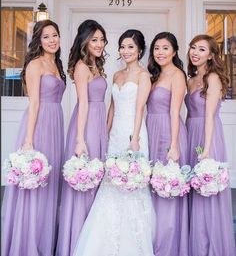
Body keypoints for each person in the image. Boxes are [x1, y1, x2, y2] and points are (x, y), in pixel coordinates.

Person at [73, 29, 155, 256]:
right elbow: (112, 107)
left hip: (133, 134)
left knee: (132, 184)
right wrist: (106, 133)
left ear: (139, 50)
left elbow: (140, 108)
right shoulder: (116, 75)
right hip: (116, 134)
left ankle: (134, 242)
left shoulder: (144, 76)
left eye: (130, 47)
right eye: (122, 46)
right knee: (111, 184)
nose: (125, 51)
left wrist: (136, 138)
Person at [1, 20, 66, 256]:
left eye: (55, 35)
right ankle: (27, 243)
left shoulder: (57, 64)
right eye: (46, 36)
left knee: (49, 185)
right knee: (35, 183)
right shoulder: (35, 65)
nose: (52, 40)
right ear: (38, 40)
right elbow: (35, 103)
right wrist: (28, 140)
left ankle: (44, 239)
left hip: (56, 123)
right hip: (39, 126)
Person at [55, 19, 109, 256]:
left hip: (98, 125)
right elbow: (84, 104)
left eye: (101, 39)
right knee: (84, 179)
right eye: (94, 39)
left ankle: (93, 241)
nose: (99, 44)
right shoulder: (81, 66)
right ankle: (77, 241)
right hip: (86, 126)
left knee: (97, 180)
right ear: (84, 41)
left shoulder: (97, 65)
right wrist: (79, 138)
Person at [185, 34, 236, 256]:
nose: (195, 52)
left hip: (208, 135)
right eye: (193, 48)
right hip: (191, 133)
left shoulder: (213, 78)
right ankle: (195, 243)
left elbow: (209, 116)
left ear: (212, 55)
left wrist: (206, 149)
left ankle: (208, 247)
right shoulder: (191, 79)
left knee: (206, 190)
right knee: (193, 189)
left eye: (202, 49)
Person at [147, 32, 189, 256]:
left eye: (165, 48)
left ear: (174, 51)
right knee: (152, 187)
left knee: (166, 187)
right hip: (151, 131)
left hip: (167, 132)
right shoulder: (154, 75)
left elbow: (175, 111)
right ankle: (152, 241)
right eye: (156, 48)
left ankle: (167, 247)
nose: (160, 52)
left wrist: (174, 144)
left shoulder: (177, 75)